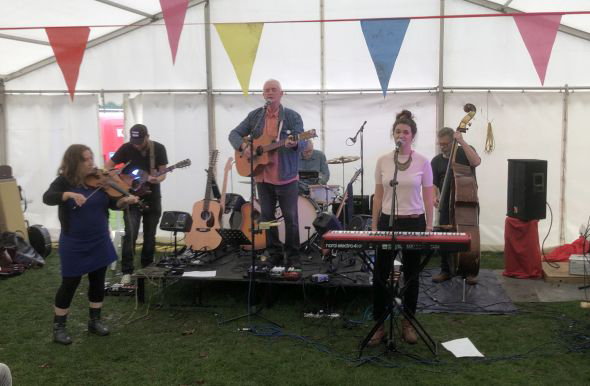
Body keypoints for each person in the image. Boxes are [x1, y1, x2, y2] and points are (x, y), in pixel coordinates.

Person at [43, 144, 138, 345]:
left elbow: (113, 204)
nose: (91, 163)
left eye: (91, 158)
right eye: (86, 159)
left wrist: (124, 202)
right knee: (70, 283)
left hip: (99, 239)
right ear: (74, 162)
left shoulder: (100, 181)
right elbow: (48, 198)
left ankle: (95, 321)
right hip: (74, 241)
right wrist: (69, 195)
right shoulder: (64, 181)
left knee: (97, 280)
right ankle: (58, 327)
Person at [369, 110, 433, 345]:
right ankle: (378, 325)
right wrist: (375, 225)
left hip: (414, 221)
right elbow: (378, 196)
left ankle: (408, 323)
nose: (401, 135)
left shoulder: (423, 162)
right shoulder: (383, 161)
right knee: (380, 274)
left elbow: (428, 196)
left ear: (413, 136)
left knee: (412, 275)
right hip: (387, 221)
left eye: (406, 132)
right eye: (398, 131)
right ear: (393, 134)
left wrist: (429, 225)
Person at [228, 79, 305, 267]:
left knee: (291, 219)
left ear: (281, 93)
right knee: (267, 219)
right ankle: (274, 253)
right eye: (267, 90)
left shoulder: (292, 117)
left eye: (274, 90)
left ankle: (293, 257)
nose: (270, 93)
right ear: (263, 95)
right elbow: (234, 134)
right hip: (262, 177)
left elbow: (303, 142)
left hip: (286, 178)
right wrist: (244, 146)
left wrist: (295, 143)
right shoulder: (255, 116)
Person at [105, 124, 168, 284]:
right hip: (131, 198)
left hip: (153, 196)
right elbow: (108, 167)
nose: (137, 144)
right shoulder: (126, 148)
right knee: (130, 233)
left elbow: (163, 173)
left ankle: (147, 267)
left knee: (150, 235)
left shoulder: (159, 149)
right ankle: (127, 270)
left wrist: (156, 179)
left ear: (147, 136)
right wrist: (122, 183)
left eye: (140, 140)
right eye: (134, 141)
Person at [430, 127, 481, 284]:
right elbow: (432, 183)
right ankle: (446, 270)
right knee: (445, 238)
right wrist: (433, 196)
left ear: (453, 142)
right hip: (446, 204)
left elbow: (476, 162)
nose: (442, 147)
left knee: (469, 238)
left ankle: (470, 271)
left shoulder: (465, 151)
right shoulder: (436, 161)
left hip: (466, 202)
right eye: (440, 144)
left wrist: (462, 141)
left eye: (445, 144)